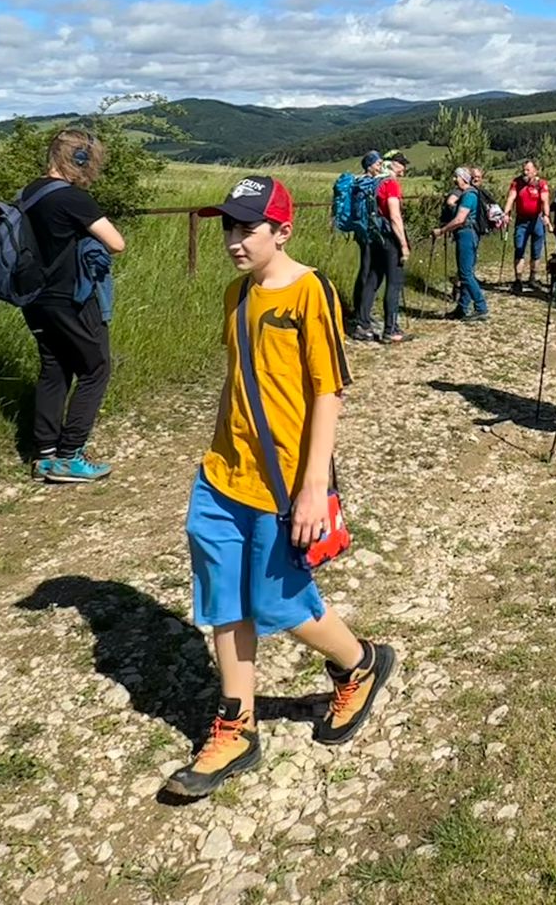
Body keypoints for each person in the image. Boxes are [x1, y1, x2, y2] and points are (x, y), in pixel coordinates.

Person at [162, 175, 398, 799]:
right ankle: (236, 725)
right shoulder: (235, 294)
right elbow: (237, 383)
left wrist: (314, 484)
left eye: (248, 229)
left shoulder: (308, 291)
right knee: (221, 599)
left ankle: (362, 663)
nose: (235, 240)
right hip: (221, 476)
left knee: (278, 603)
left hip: (284, 482)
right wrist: (216, 453)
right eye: (229, 228)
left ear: (282, 231)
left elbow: (328, 388)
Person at [20, 129, 126, 483]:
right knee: (96, 369)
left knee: (54, 369)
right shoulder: (73, 199)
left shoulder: (28, 193)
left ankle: (44, 456)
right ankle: (70, 455)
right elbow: (116, 243)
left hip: (34, 299)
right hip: (72, 298)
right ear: (80, 159)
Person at [430, 166, 488, 322]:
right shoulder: (469, 194)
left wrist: (441, 231)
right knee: (466, 272)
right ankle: (462, 308)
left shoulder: (469, 195)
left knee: (465, 274)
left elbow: (460, 219)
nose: (454, 180)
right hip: (468, 234)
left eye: (456, 177)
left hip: (466, 234)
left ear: (463, 178)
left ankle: (481, 307)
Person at [366, 154, 412, 344]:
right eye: (402, 165)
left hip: (376, 236)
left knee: (374, 278)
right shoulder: (390, 184)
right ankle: (390, 329)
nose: (404, 170)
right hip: (390, 237)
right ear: (394, 165)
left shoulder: (376, 182)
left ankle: (363, 321)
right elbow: (394, 216)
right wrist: (403, 244)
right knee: (394, 283)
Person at [347, 151, 384, 344]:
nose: (380, 166)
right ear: (369, 165)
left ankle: (361, 312)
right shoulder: (365, 183)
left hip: (364, 232)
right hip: (367, 233)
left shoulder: (360, 182)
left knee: (366, 270)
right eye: (378, 163)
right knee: (368, 272)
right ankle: (361, 316)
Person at [504, 159, 550, 294]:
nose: (525, 172)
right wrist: (506, 213)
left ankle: (532, 278)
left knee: (536, 251)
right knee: (519, 249)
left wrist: (546, 215)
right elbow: (511, 198)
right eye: (524, 169)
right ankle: (518, 280)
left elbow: (545, 200)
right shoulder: (516, 182)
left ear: (535, 171)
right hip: (521, 220)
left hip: (537, 221)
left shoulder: (541, 184)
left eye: (528, 170)